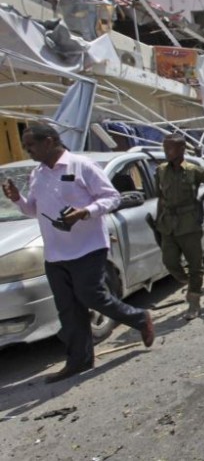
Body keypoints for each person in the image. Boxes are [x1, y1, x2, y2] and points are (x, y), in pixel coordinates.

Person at [3, 123, 154, 383]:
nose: (28, 150)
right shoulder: (37, 174)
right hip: (55, 255)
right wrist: (18, 199)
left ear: (49, 141)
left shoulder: (81, 166)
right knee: (68, 310)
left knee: (92, 296)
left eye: (31, 145)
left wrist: (85, 212)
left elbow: (112, 198)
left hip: (88, 248)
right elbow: (32, 211)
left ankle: (139, 318)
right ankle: (79, 361)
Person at [155, 133, 204, 320]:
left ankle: (194, 302)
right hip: (168, 224)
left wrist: (200, 199)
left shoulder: (193, 170)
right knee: (170, 262)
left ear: (182, 149)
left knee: (195, 265)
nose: (166, 152)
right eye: (165, 148)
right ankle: (189, 282)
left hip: (189, 222)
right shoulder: (160, 170)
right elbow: (160, 196)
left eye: (171, 148)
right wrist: (159, 220)